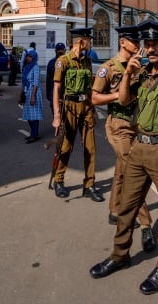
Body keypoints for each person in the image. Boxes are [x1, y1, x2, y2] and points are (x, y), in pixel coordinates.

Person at [89, 20, 158, 295]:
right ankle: (119, 255)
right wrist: (127, 75)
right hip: (139, 146)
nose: (149, 48)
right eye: (146, 44)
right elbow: (124, 101)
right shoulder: (141, 73)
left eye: (155, 43)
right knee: (127, 205)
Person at [91, 25, 157, 253]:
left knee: (121, 169)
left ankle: (114, 210)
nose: (137, 44)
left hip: (135, 124)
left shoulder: (139, 67)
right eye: (133, 41)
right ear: (122, 42)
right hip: (118, 126)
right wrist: (117, 96)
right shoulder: (107, 68)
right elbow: (95, 98)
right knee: (134, 173)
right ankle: (146, 224)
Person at [51, 28, 102, 201]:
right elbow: (57, 88)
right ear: (81, 41)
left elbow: (91, 85)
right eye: (89, 40)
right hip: (69, 107)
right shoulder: (63, 61)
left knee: (91, 148)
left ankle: (89, 184)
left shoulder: (87, 61)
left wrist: (93, 107)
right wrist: (57, 115)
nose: (91, 43)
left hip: (86, 106)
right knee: (66, 146)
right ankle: (58, 180)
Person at [21, 49, 43, 143]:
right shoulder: (26, 67)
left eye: (30, 56)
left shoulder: (35, 67)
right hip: (27, 91)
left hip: (34, 92)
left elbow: (35, 83)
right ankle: (34, 133)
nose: (28, 58)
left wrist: (33, 96)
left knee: (34, 115)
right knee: (29, 115)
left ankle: (34, 135)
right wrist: (20, 95)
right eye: (27, 56)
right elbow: (23, 82)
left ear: (34, 58)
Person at [46, 42, 66, 113]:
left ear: (65, 51)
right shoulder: (51, 62)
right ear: (55, 51)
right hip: (54, 91)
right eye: (58, 49)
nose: (60, 51)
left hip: (66, 91)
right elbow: (48, 79)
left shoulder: (69, 62)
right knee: (55, 111)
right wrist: (48, 94)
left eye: (61, 49)